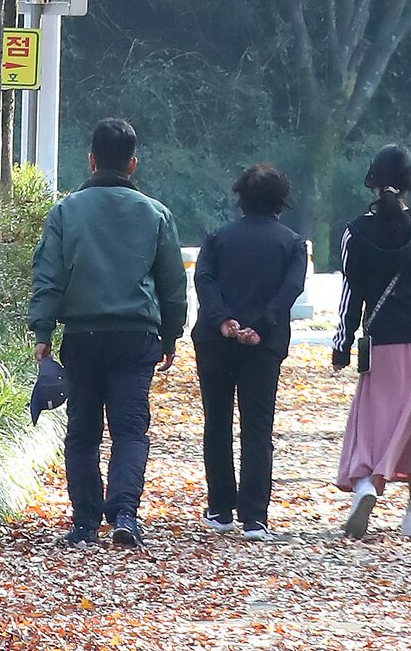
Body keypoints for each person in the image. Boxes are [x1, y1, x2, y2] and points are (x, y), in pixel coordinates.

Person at [28, 116, 188, 550]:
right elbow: (173, 283)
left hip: (82, 333)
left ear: (91, 159)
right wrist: (171, 335)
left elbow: (49, 275)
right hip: (136, 335)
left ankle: (83, 523)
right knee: (131, 429)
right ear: (132, 164)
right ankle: (124, 514)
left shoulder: (65, 212)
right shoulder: (156, 213)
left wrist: (42, 328)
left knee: (82, 429)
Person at [331, 142, 411, 541]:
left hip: (385, 341)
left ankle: (365, 484)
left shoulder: (355, 232)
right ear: (410, 181)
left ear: (373, 182)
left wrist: (342, 344)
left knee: (373, 418)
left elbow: (352, 292)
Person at [192, 162, 308, 540]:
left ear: (240, 198)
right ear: (281, 201)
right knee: (258, 428)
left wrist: (224, 320)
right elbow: (289, 290)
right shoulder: (292, 244)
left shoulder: (217, 238)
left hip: (215, 341)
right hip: (264, 346)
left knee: (218, 422)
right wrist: (262, 324)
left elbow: (204, 279)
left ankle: (220, 509)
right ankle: (255, 517)